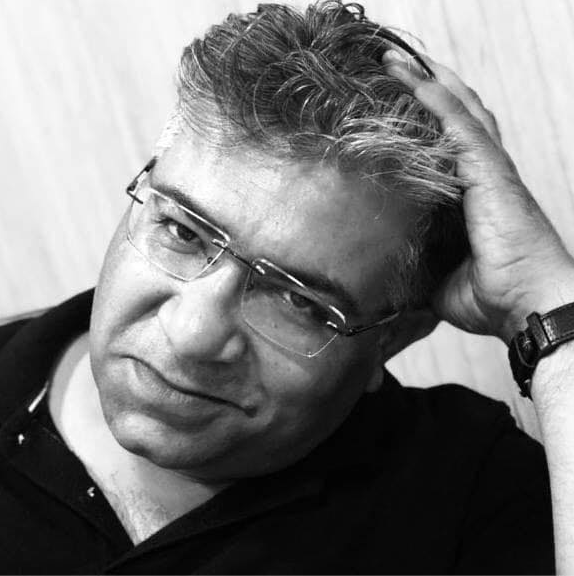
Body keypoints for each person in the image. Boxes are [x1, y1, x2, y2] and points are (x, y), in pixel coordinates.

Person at [1, 1, 573, 573]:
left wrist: (548, 301)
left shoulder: (464, 495)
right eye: (183, 231)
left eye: (297, 299)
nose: (193, 334)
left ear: (391, 339)